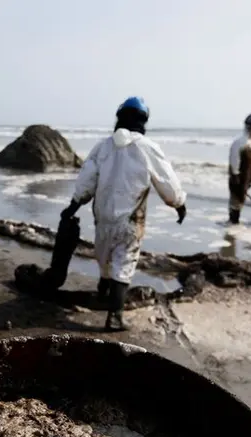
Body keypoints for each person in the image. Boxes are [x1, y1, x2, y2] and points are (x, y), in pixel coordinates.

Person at [59, 96, 187, 331]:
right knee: (124, 263)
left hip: (102, 218)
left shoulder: (103, 147)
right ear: (143, 120)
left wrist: (74, 206)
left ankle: (103, 293)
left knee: (104, 257)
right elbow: (166, 181)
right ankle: (115, 316)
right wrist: (178, 204)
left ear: (119, 117)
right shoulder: (148, 148)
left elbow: (86, 181)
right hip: (130, 220)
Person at [228, 114, 251, 223]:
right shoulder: (240, 142)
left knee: (241, 199)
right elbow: (234, 159)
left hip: (246, 176)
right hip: (238, 176)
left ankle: (234, 221)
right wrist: (236, 175)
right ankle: (233, 221)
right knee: (236, 200)